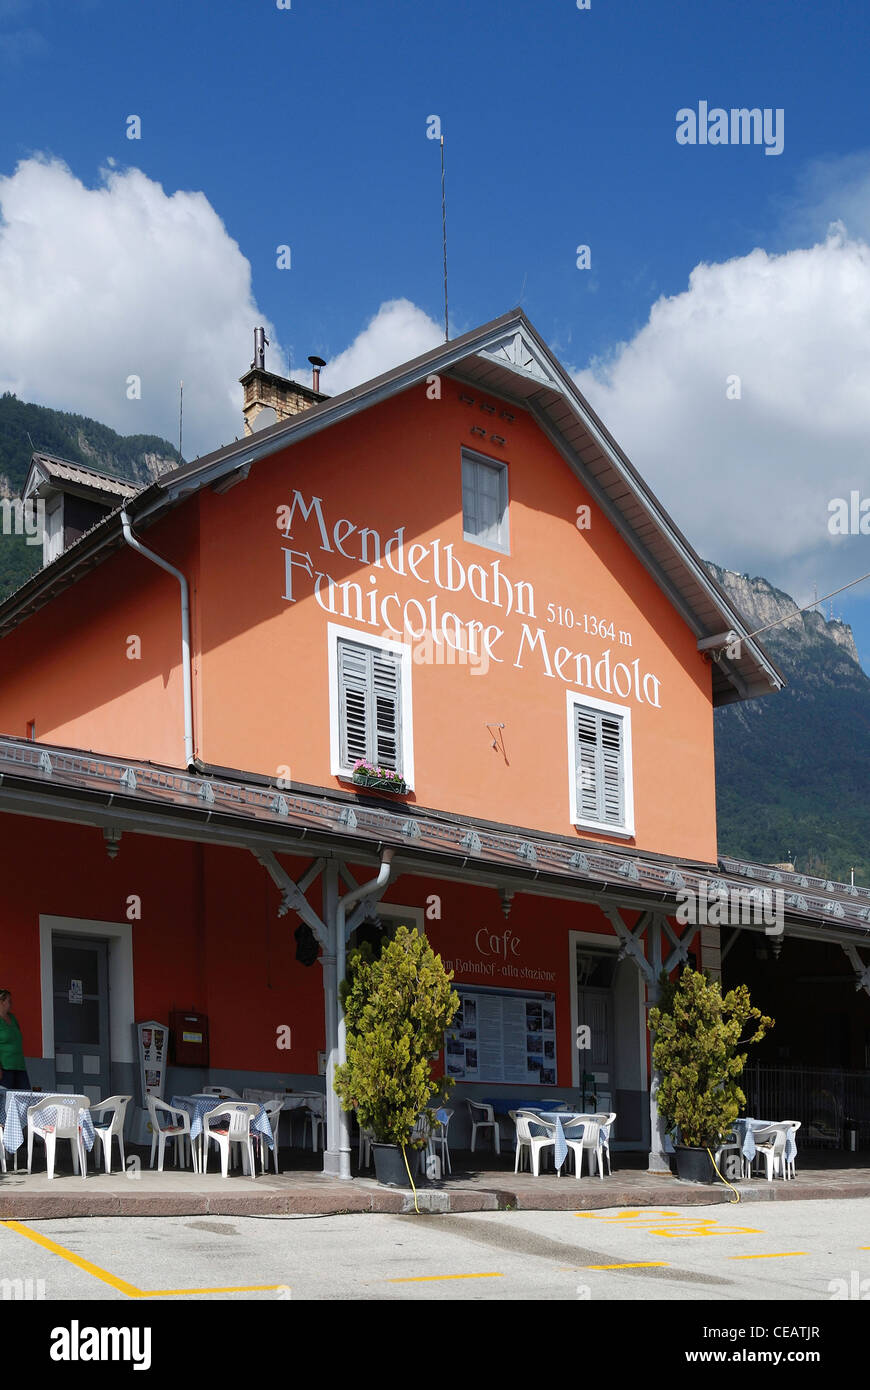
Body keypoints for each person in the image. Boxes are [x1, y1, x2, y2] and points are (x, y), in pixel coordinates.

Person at [0, 988, 30, 1090]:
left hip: (20, 1066)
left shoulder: (12, 1018)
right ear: (2, 1002)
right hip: (5, 1068)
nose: (11, 1004)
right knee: (4, 1100)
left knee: (25, 1096)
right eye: (9, 1001)